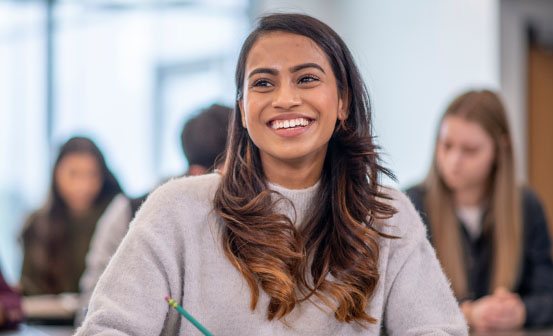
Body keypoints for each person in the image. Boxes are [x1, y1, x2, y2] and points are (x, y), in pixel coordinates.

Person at [76, 13, 467, 335]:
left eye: (307, 79)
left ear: (343, 100)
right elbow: (107, 329)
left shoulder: (388, 216)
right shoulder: (176, 210)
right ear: (244, 110)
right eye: (263, 83)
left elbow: (438, 329)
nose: (285, 99)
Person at [406, 90, 553, 331]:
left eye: (470, 150)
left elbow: (549, 300)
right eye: (447, 146)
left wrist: (520, 311)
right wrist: (467, 314)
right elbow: (401, 305)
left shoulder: (527, 206)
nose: (453, 160)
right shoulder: (411, 205)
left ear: (499, 150)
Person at [76, 104, 231, 320]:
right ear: (198, 173)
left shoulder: (258, 215)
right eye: (236, 169)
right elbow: (93, 306)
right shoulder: (130, 212)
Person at [20, 136, 122, 296]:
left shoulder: (118, 220)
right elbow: (28, 288)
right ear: (56, 174)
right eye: (73, 174)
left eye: (92, 174)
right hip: (48, 318)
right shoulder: (36, 223)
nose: (83, 185)